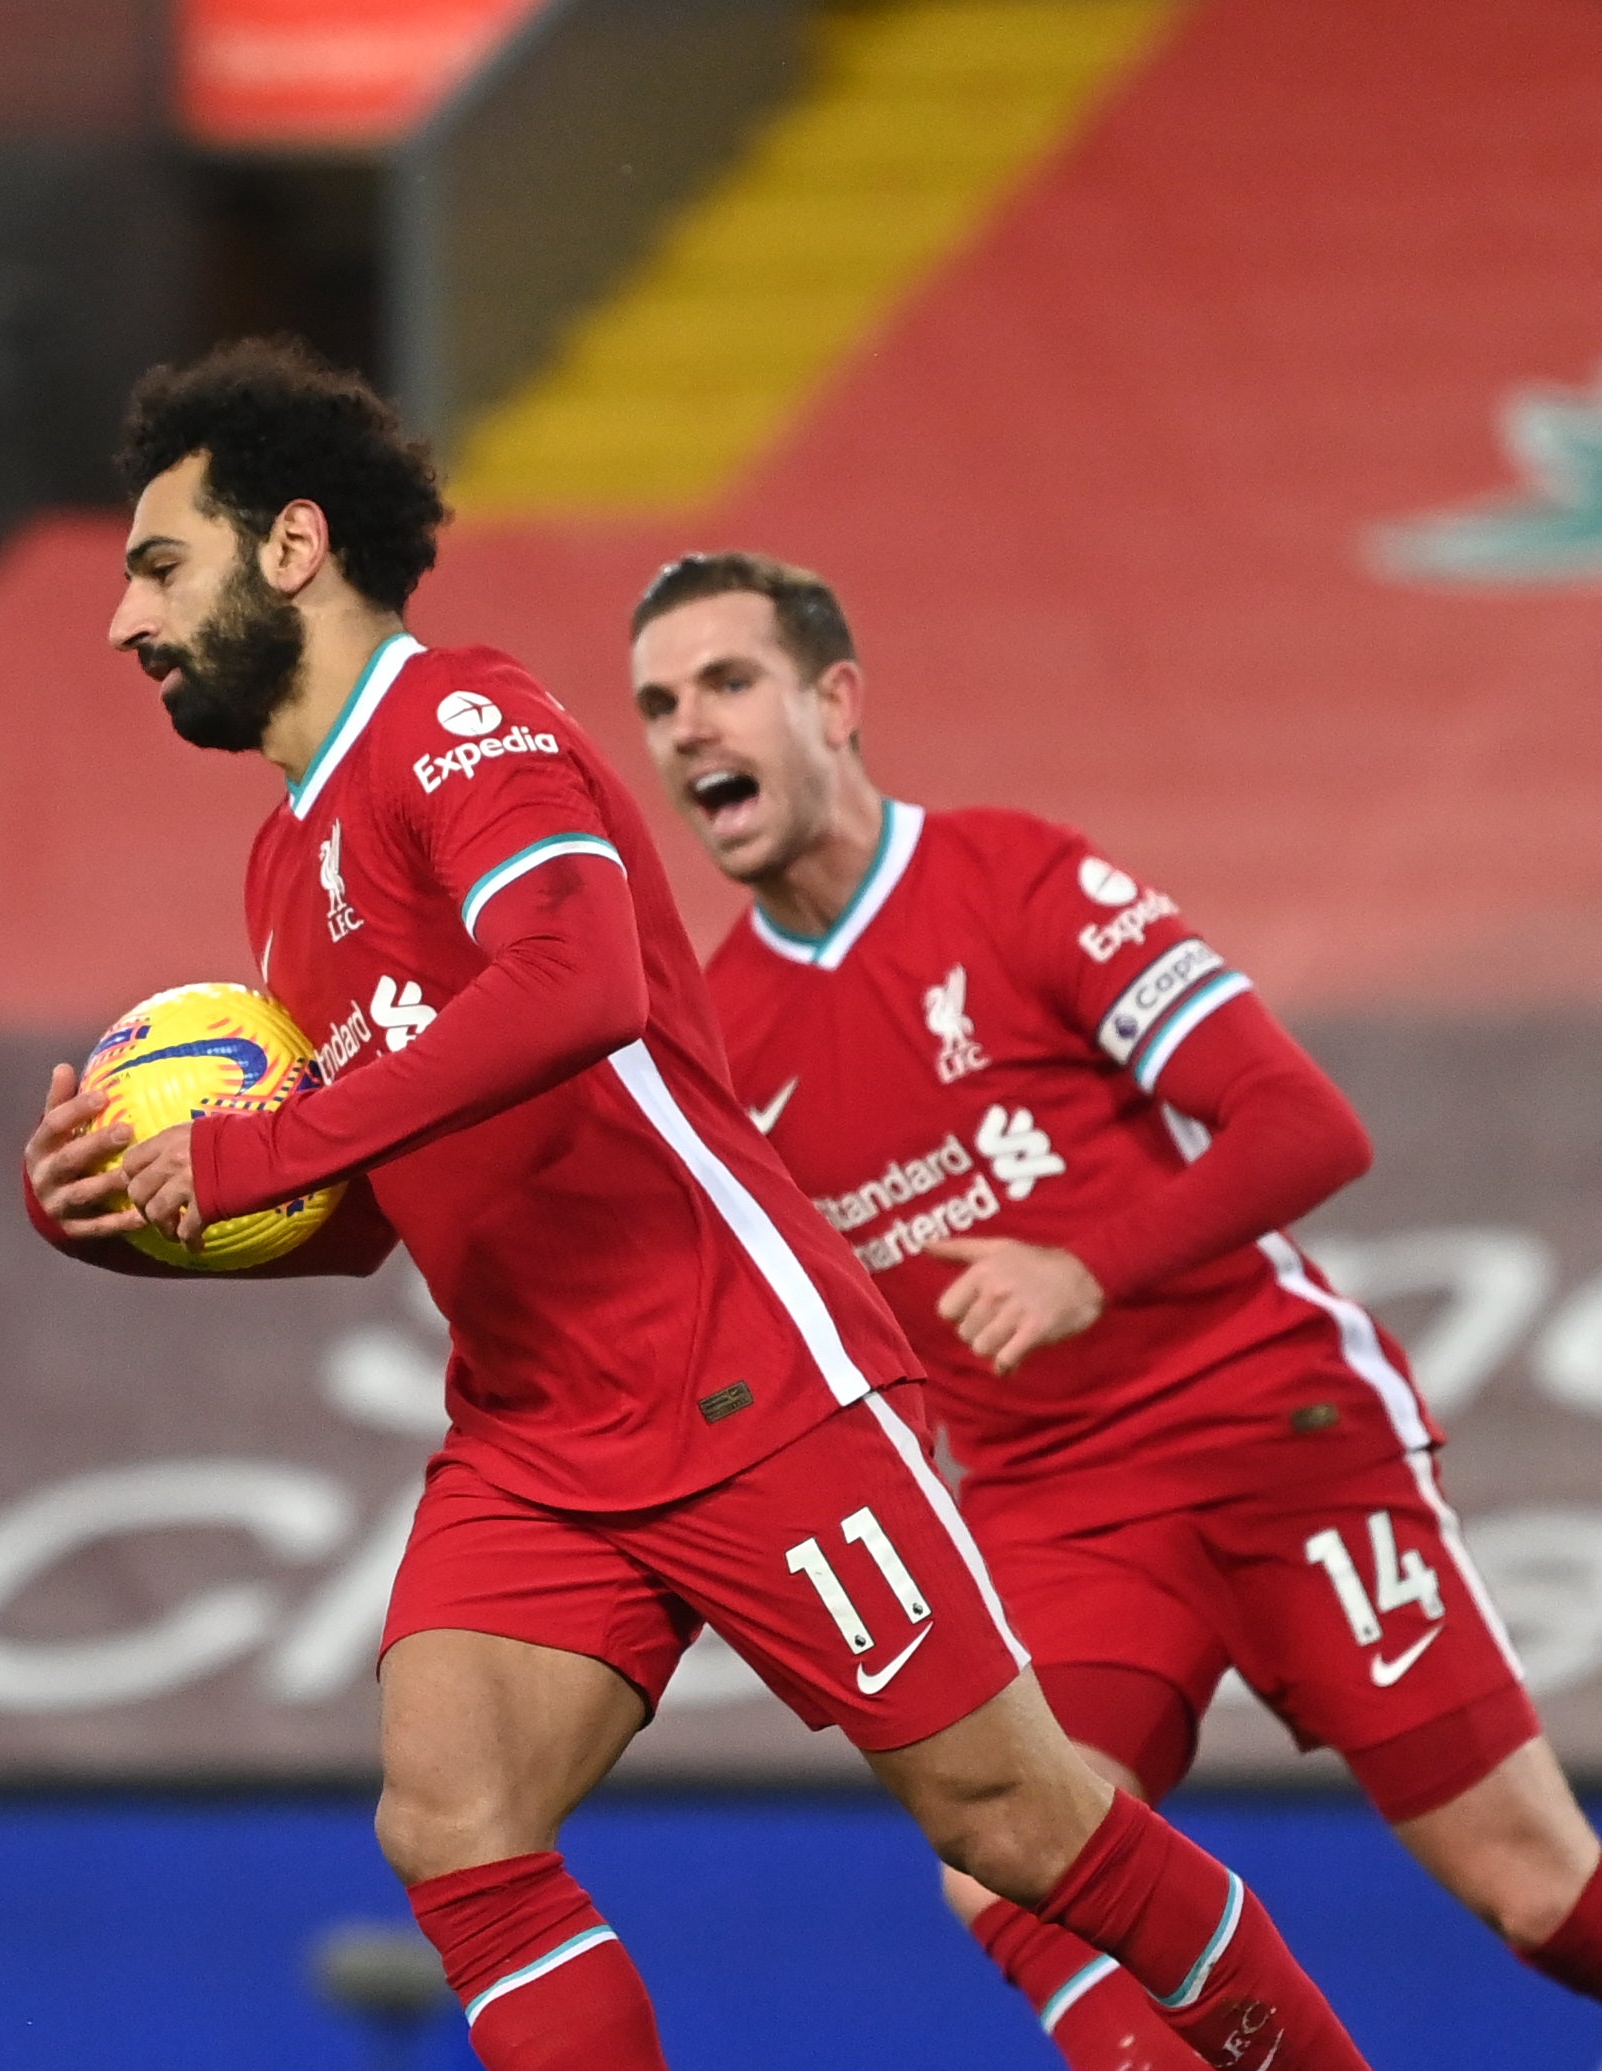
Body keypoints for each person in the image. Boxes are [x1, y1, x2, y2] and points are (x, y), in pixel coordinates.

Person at [19, 339, 1378, 2070]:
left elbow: (574, 980)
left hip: (741, 1371)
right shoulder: (284, 862)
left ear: (291, 547)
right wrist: (134, 1217)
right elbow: (374, 1198)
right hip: (531, 1424)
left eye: (158, 567)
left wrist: (249, 1153)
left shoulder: (462, 719)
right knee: (451, 1825)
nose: (128, 626)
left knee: (1017, 1824)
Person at [630, 548, 1602, 2066]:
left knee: (1536, 1892)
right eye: (657, 704)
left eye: (727, 683)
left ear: (835, 702)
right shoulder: (724, 1043)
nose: (689, 727)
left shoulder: (1016, 879)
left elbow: (1304, 1126)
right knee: (1002, 1863)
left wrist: (1087, 1269)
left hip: (1273, 1436)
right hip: (1054, 1508)